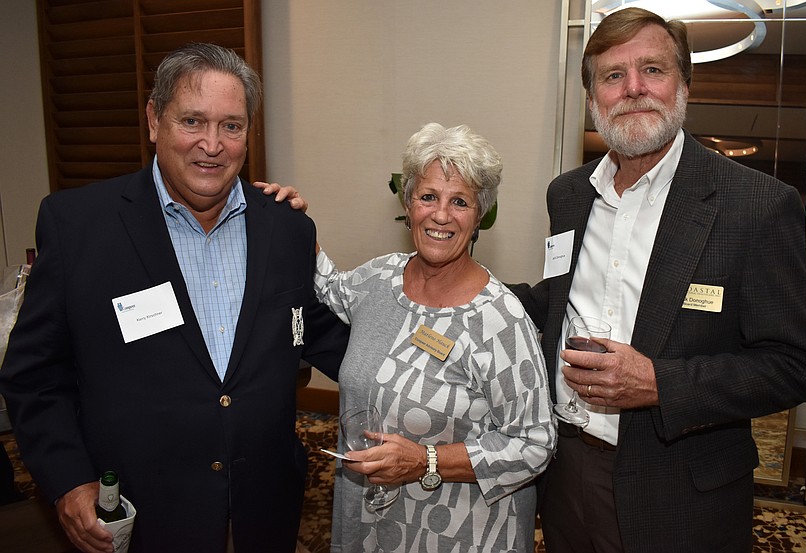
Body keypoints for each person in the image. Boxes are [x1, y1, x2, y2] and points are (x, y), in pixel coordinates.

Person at [0, 43, 349, 553]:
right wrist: (69, 480)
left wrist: (431, 373)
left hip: (264, 506)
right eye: (192, 121)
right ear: (153, 121)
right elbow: (34, 375)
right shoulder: (78, 226)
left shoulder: (286, 228)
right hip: (143, 513)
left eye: (231, 125)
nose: (212, 144)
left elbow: (313, 331)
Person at [510, 7, 806, 553]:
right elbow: (557, 298)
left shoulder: (757, 205)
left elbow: (792, 366)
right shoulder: (568, 194)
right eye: (613, 75)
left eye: (652, 69)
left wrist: (659, 383)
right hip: (567, 469)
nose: (633, 88)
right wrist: (451, 284)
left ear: (684, 85)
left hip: (682, 486)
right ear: (592, 99)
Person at [260, 122, 556, 552]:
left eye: (460, 202)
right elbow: (327, 285)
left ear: (479, 217)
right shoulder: (380, 278)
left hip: (458, 530)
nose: (441, 215)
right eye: (429, 197)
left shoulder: (501, 320)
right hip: (370, 516)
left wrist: (425, 460)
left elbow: (535, 443)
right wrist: (293, 222)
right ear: (408, 203)